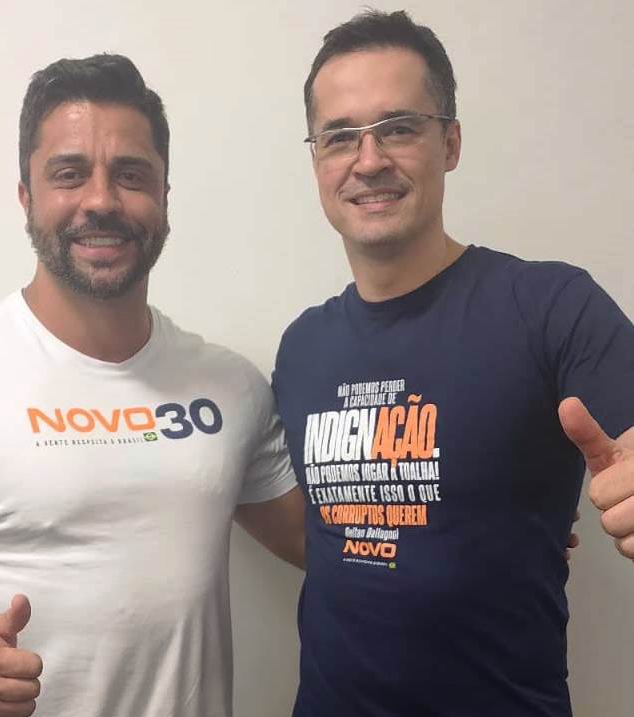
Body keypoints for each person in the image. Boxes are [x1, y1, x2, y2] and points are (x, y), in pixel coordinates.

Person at [0, 54, 304, 717]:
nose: (102, 200)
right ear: (26, 196)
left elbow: (332, 545)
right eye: (69, 173)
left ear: (164, 196)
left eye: (131, 175)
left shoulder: (231, 388)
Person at [271, 10, 634, 717]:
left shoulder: (549, 306)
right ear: (317, 160)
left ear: (451, 143)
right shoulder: (302, 346)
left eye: (398, 128)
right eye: (340, 136)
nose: (368, 160)